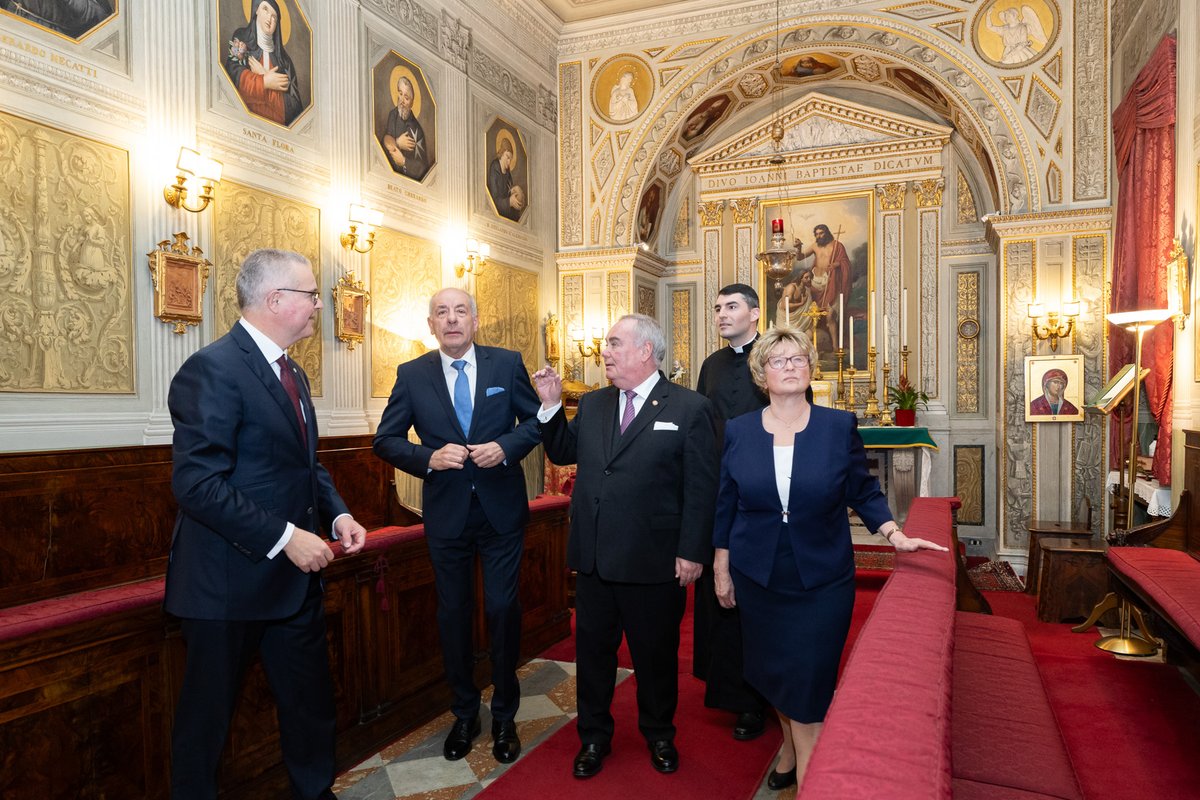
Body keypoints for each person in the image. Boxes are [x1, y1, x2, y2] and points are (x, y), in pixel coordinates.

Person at [165, 248, 368, 800]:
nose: (318, 306)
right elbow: (198, 485)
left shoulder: (292, 371)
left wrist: (339, 512)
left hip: (293, 582)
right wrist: (286, 538)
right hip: (225, 585)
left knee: (309, 706)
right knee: (205, 726)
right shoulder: (211, 369)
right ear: (277, 299)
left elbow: (304, 464)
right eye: (311, 295)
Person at [712, 326, 946, 790]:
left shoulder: (837, 426)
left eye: (798, 359)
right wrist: (721, 565)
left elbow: (862, 489)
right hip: (758, 572)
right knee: (773, 670)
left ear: (811, 369)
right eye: (778, 361)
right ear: (762, 374)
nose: (790, 367)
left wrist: (893, 533)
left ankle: (811, 769)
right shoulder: (738, 431)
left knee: (811, 674)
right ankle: (789, 744)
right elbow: (727, 501)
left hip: (821, 575)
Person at [532, 314, 718, 780]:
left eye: (614, 343)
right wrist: (552, 406)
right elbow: (562, 452)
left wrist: (693, 551)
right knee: (593, 658)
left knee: (655, 658)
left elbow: (701, 488)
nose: (605, 352)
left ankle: (659, 734)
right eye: (606, 343)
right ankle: (593, 738)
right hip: (595, 559)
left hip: (655, 561)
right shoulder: (593, 404)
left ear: (645, 351)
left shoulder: (689, 408)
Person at [373, 288, 541, 765]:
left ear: (475, 319)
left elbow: (535, 423)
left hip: (501, 512)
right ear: (431, 324)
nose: (451, 320)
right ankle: (465, 712)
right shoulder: (412, 374)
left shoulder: (506, 364)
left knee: (504, 608)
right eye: (441, 313)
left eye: (460, 311)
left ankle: (505, 714)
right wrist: (428, 457)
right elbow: (385, 440)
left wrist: (506, 447)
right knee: (453, 615)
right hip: (445, 515)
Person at [693, 284, 770, 742]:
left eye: (731, 307)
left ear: (755, 314)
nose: (721, 314)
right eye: (717, 307)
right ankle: (732, 693)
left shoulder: (775, 355)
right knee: (719, 594)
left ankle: (762, 696)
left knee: (754, 595)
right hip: (718, 493)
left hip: (760, 497)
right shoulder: (711, 365)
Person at [224, 0, 305, 126]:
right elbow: (232, 81)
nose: (269, 18)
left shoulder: (285, 62)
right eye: (265, 9)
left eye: (274, 16)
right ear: (256, 10)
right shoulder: (242, 39)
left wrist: (263, 75)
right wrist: (265, 81)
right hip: (243, 123)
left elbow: (295, 111)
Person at [794, 224, 851, 351]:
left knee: (830, 315)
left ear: (827, 233)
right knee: (812, 316)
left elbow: (845, 262)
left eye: (821, 233)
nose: (819, 236)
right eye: (817, 234)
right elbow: (800, 257)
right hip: (815, 283)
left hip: (830, 282)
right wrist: (798, 248)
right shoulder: (815, 246)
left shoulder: (837, 245)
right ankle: (812, 347)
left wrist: (836, 264)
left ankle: (836, 347)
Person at [383, 76, 430, 180]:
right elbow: (386, 140)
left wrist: (404, 161)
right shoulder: (393, 115)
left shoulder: (418, 130)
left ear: (412, 102)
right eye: (400, 94)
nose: (402, 100)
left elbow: (423, 167)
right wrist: (398, 143)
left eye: (407, 98)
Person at [487, 137, 525, 221]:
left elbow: (507, 192)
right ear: (502, 152)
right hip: (495, 216)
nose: (509, 162)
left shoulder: (508, 173)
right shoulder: (495, 167)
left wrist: (513, 191)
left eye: (510, 159)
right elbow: (493, 200)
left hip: (506, 214)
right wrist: (509, 202)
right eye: (507, 157)